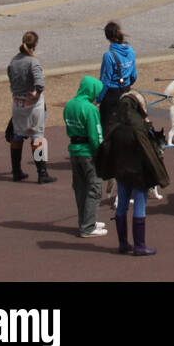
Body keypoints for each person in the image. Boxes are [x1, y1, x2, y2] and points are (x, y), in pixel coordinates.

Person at [95, 91, 169, 255]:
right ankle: (139, 245)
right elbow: (149, 151)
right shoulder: (139, 126)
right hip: (138, 172)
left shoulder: (114, 125)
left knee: (121, 206)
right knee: (139, 207)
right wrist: (159, 173)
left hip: (121, 171)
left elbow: (107, 148)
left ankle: (123, 243)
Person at [7, 30, 56, 185]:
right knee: (37, 136)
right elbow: (40, 83)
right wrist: (36, 93)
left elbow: (10, 79)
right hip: (33, 105)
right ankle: (42, 173)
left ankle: (16, 171)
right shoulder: (32, 62)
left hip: (17, 103)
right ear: (35, 44)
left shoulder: (13, 61)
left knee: (17, 135)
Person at [63, 76, 107, 237]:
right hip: (88, 152)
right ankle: (88, 226)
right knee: (94, 187)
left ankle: (86, 220)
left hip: (74, 150)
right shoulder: (90, 109)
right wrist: (101, 153)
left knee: (80, 187)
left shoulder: (69, 105)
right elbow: (95, 135)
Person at [98, 21, 138, 136]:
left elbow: (105, 80)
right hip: (126, 90)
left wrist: (99, 99)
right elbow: (134, 75)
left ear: (107, 37)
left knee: (107, 126)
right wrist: (127, 84)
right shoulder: (130, 51)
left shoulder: (109, 55)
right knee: (125, 123)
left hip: (111, 94)